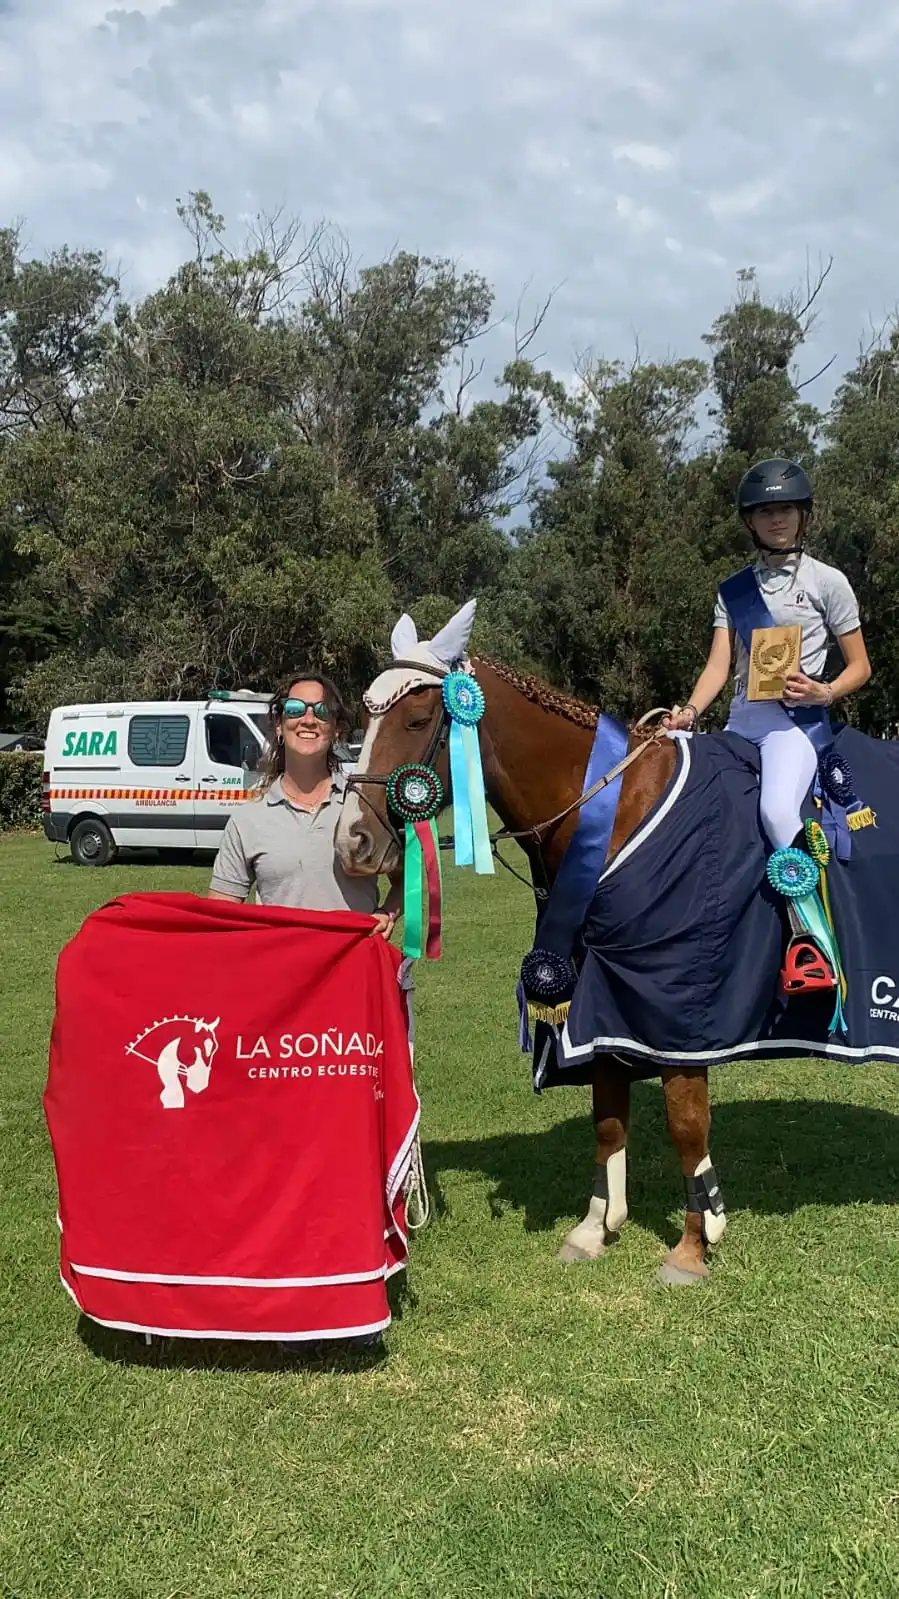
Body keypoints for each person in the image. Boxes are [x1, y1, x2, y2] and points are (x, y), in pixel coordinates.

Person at [666, 458, 872, 993]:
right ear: (750, 522)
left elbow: (861, 666)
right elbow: (718, 666)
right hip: (741, 720)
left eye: (784, 509)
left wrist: (825, 690)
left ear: (802, 516)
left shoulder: (829, 582)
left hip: (794, 727)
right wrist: (689, 712)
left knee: (778, 810)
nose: (775, 519)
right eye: (764, 512)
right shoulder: (733, 589)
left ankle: (816, 943)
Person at [209, 670, 402, 937]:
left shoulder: (365, 807)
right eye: (295, 709)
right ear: (279, 724)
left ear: (336, 730)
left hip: (355, 969)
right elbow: (220, 914)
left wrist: (387, 913)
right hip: (281, 972)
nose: (308, 720)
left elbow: (407, 878)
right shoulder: (247, 820)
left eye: (322, 711)